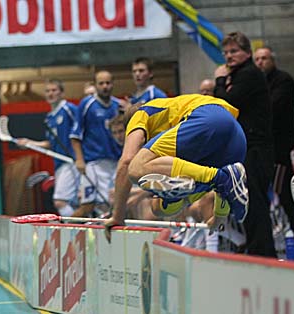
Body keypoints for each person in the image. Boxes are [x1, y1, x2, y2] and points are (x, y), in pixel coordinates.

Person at [103, 94, 249, 236]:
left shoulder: (141, 113)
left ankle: (217, 177)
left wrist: (117, 216)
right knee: (158, 207)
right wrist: (219, 216)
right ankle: (186, 187)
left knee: (136, 169)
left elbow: (127, 161)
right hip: (236, 138)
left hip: (207, 117)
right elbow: (228, 182)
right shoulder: (180, 147)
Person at [214, 32, 276, 257]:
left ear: (247, 53)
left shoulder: (249, 74)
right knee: (248, 201)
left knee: (255, 202)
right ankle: (257, 250)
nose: (228, 56)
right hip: (247, 146)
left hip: (256, 148)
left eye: (234, 51)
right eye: (225, 52)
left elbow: (226, 104)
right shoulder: (240, 74)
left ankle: (263, 253)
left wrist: (219, 81)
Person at [254, 46, 294, 252]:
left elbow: (272, 108)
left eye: (264, 58)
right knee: (267, 197)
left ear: (272, 60)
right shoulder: (259, 83)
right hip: (263, 150)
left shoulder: (283, 80)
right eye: (257, 59)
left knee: (286, 197)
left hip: (278, 152)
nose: (260, 62)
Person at [16, 79, 79, 217]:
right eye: (48, 91)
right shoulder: (49, 118)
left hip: (72, 162)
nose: (51, 94)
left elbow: (83, 131)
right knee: (74, 202)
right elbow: (51, 144)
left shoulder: (69, 109)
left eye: (54, 90)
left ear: (62, 93)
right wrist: (29, 143)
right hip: (60, 164)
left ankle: (74, 227)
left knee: (60, 201)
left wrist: (81, 158)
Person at [70, 70, 122, 217]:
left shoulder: (119, 105)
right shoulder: (87, 104)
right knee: (88, 206)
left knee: (115, 204)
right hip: (94, 163)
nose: (105, 86)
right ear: (96, 85)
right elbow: (75, 135)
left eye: (108, 83)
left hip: (116, 162)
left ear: (113, 84)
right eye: (101, 83)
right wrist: (80, 160)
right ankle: (64, 226)